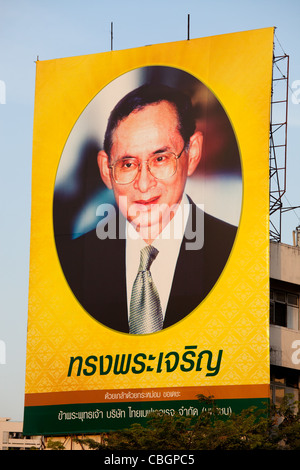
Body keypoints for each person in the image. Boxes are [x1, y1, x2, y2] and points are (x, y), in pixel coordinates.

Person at [55, 84, 237, 334]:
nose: (143, 183)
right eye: (128, 164)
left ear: (192, 153)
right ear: (106, 170)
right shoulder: (69, 264)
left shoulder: (235, 252)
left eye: (160, 159)